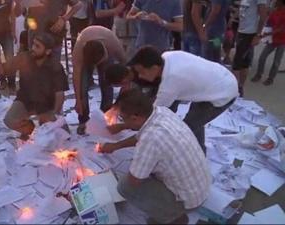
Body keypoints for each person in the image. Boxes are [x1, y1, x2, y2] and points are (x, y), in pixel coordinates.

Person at [102, 46, 239, 153]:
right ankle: (198, 151)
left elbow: (149, 122)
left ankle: (196, 159)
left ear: (155, 68)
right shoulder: (166, 57)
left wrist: (119, 137)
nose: (141, 77)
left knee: (187, 128)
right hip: (217, 78)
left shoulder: (170, 84)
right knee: (193, 122)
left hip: (223, 92)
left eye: (142, 72)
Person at [106, 89, 211, 224]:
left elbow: (134, 181)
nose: (122, 122)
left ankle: (174, 217)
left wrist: (110, 178)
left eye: (122, 118)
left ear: (134, 118)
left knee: (124, 186)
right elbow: (140, 135)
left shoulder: (151, 138)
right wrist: (115, 146)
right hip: (201, 185)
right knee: (146, 168)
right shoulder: (162, 112)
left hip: (188, 200)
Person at [2, 33, 69, 140]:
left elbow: (60, 94)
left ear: (47, 51)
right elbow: (5, 68)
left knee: (62, 136)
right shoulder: (24, 57)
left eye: (37, 46)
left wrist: (55, 113)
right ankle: (29, 128)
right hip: (25, 100)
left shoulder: (55, 66)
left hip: (47, 105)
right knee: (9, 120)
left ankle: (51, 124)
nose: (33, 48)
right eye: (33, 44)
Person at [72, 25, 126, 135]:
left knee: (106, 84)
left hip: (106, 42)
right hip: (86, 45)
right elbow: (76, 75)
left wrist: (125, 88)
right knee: (83, 86)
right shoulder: (79, 51)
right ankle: (83, 120)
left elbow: (126, 66)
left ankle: (106, 117)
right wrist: (78, 100)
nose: (99, 65)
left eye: (101, 61)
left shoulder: (113, 44)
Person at [232, 0, 268, 96]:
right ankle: (239, 87)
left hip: (249, 34)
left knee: (238, 62)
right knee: (243, 62)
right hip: (241, 31)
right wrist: (232, 19)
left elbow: (263, 16)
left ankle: (236, 88)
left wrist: (258, 35)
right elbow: (241, 11)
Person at [251, 0, 285, 86]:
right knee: (262, 57)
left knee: (276, 61)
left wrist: (268, 33)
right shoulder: (274, 11)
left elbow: (282, 29)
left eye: (277, 1)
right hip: (272, 39)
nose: (275, 2)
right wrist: (263, 32)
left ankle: (270, 78)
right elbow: (268, 23)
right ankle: (259, 74)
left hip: (282, 40)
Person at [0, 0, 17, 95]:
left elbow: (12, 15)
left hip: (6, 34)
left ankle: (12, 82)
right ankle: (2, 79)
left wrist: (14, 32)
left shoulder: (8, 1)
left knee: (10, 58)